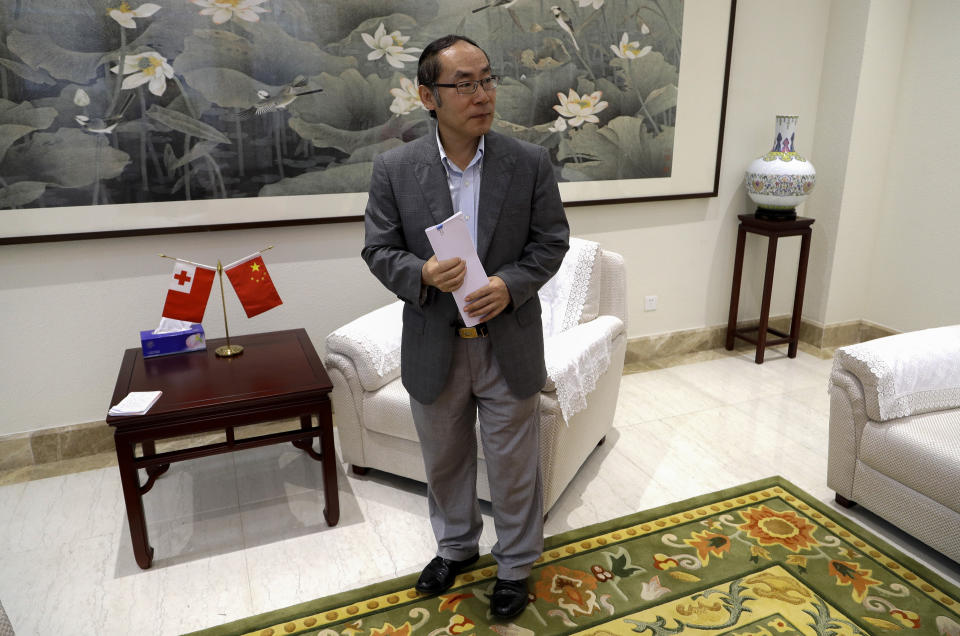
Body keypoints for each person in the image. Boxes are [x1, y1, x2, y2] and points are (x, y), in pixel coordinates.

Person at [361, 34, 569, 620]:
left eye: (488, 79)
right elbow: (378, 250)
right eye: (465, 84)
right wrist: (422, 271)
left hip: (508, 338)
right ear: (429, 96)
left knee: (512, 461)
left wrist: (512, 285)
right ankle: (455, 547)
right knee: (445, 458)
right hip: (436, 341)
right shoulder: (396, 169)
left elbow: (551, 242)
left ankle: (516, 564)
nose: (483, 95)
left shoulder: (527, 162)